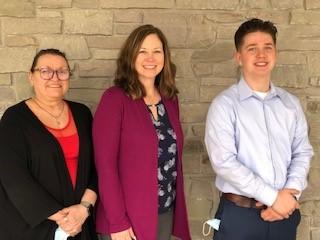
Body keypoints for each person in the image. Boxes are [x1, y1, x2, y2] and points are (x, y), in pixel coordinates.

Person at [204, 18, 313, 240]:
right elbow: (224, 161)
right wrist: (273, 197)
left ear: (276, 53)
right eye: (252, 49)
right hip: (239, 218)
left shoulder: (290, 104)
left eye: (267, 48)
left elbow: (302, 152)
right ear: (239, 57)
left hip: (284, 215)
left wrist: (288, 196)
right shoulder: (224, 105)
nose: (261, 55)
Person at [93, 24, 191, 240]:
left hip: (163, 213)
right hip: (125, 219)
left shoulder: (170, 99)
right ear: (131, 56)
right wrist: (118, 222)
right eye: (142, 51)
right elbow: (105, 166)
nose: (151, 58)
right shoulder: (114, 99)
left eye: (157, 51)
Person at [0, 48, 98, 240]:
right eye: (45, 71)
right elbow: (12, 177)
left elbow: (98, 166)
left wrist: (83, 209)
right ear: (31, 76)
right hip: (33, 226)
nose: (55, 78)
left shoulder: (82, 114)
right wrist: (63, 219)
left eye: (62, 71)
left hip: (80, 221)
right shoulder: (14, 119)